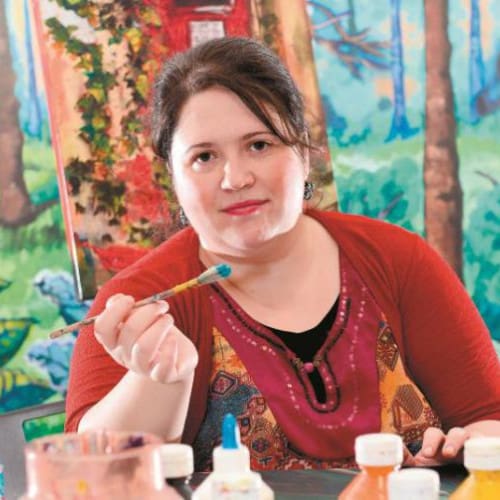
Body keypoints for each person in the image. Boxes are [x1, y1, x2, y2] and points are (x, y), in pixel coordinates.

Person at [65, 37, 500, 471]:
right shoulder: (139, 304)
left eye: (259, 145)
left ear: (303, 153)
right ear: (173, 179)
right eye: (204, 157)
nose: (235, 178)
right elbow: (91, 478)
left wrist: (469, 447)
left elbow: (491, 416)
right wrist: (157, 378)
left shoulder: (397, 260)